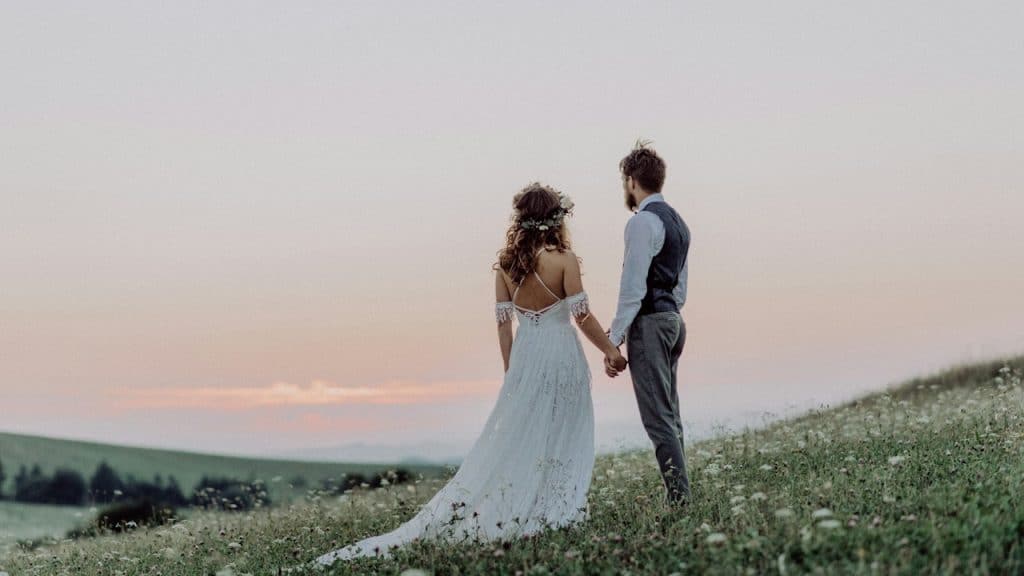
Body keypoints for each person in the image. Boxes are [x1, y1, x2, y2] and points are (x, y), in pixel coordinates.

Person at [312, 182, 626, 567]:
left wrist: (512, 371)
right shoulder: (564, 260)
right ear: (556, 219)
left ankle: (532, 505)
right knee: (562, 428)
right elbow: (581, 317)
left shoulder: (507, 267)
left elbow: (503, 326)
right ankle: (555, 508)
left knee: (525, 434)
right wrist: (611, 351)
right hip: (560, 355)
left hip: (527, 357)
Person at [605, 141, 692, 506]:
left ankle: (680, 500)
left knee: (658, 419)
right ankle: (681, 494)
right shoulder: (679, 223)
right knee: (670, 414)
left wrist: (614, 340)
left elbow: (632, 287)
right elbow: (681, 286)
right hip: (673, 319)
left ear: (630, 181)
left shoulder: (643, 222)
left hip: (651, 324)